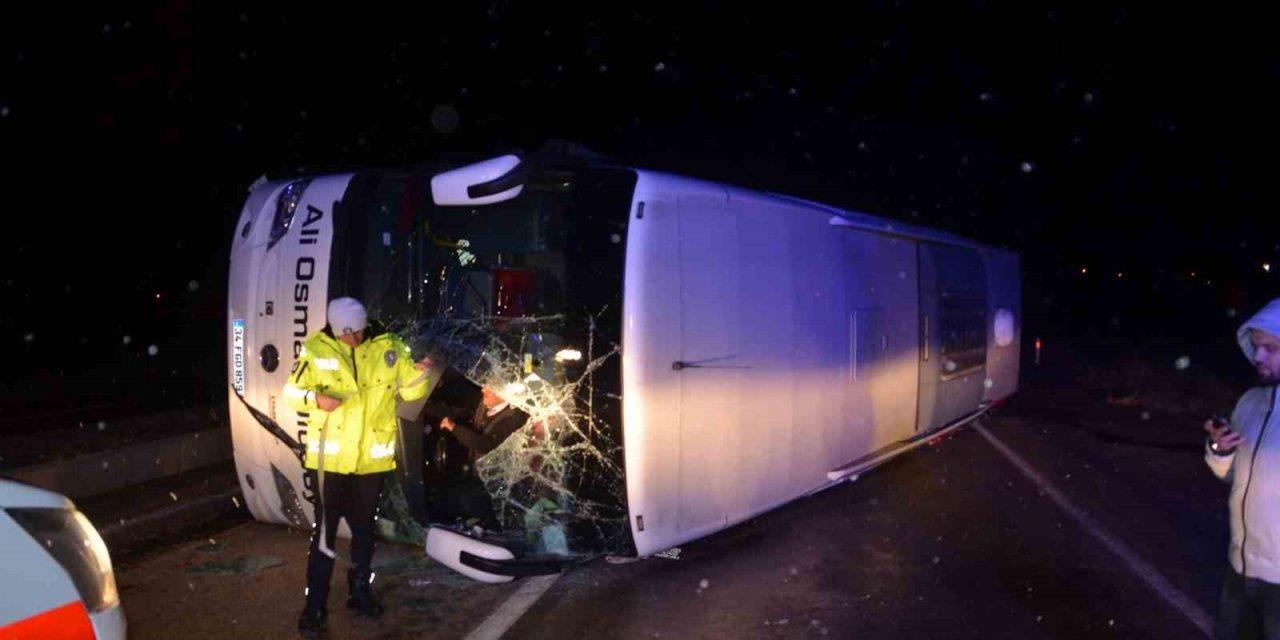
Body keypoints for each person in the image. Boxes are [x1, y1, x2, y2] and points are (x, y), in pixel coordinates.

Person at [283, 297, 432, 632]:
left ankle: (360, 591)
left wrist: (421, 374)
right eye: (345, 333)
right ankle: (315, 605)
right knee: (324, 535)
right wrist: (315, 399)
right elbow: (292, 393)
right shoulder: (316, 350)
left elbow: (410, 393)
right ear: (335, 329)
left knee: (365, 532)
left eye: (357, 331)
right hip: (330, 464)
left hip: (371, 463)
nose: (352, 339)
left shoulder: (390, 347)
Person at [1205, 296, 1280, 639]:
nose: (1258, 356)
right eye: (1256, 346)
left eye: (1271, 348)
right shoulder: (1249, 403)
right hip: (1239, 570)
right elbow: (1236, 478)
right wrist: (1220, 450)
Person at [427, 377, 528, 528]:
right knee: (442, 494)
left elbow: (486, 445)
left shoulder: (514, 418)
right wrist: (428, 409)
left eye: (489, 386)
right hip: (474, 473)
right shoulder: (484, 403)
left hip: (494, 482)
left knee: (458, 501)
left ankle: (489, 526)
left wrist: (454, 428)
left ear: (503, 393)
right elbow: (459, 411)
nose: (483, 389)